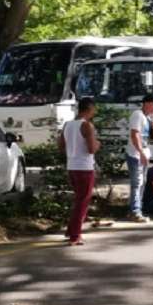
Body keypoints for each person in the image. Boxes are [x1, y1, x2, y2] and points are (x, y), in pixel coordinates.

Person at [58, 97, 100, 246]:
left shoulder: (67, 125)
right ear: (89, 109)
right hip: (85, 167)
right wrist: (97, 144)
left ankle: (71, 230)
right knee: (83, 202)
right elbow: (91, 149)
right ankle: (75, 235)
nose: (94, 112)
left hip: (72, 166)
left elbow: (61, 146)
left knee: (78, 200)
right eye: (94, 109)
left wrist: (73, 151)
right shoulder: (87, 125)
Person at [126, 94, 153, 223]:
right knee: (137, 183)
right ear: (147, 103)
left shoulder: (147, 117)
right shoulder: (137, 115)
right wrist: (141, 152)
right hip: (135, 154)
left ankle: (137, 208)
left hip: (144, 152)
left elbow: (152, 137)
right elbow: (135, 134)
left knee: (142, 182)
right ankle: (135, 211)